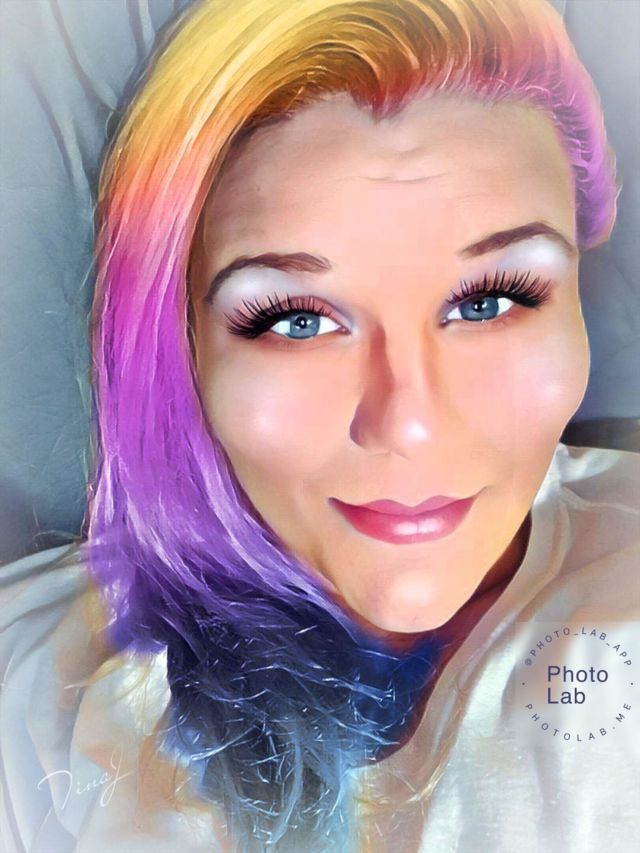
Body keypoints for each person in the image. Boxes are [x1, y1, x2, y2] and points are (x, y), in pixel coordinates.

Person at [1, 0, 638, 851]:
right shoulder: (31, 690)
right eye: (298, 320)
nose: (408, 424)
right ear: (179, 339)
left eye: (491, 301)